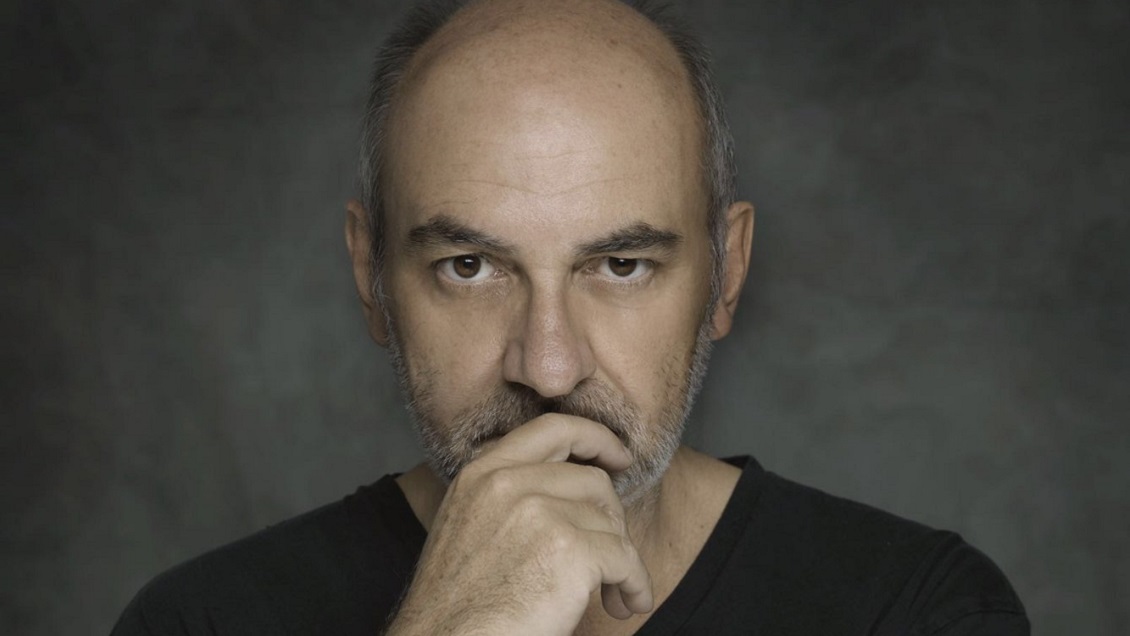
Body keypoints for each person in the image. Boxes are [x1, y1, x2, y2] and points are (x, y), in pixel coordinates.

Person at [111, 0, 1030, 634]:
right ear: (372, 279)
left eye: (621, 266)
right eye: (469, 267)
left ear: (727, 274)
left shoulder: (918, 612)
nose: (548, 368)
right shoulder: (199, 624)